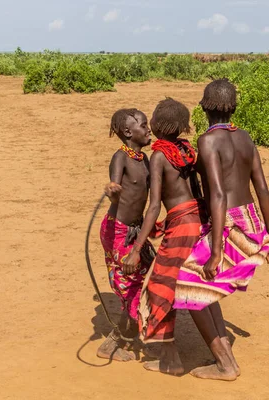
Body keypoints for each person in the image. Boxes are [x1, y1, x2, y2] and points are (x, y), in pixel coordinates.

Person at [174, 79, 269, 381]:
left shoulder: (208, 141)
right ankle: (222, 347)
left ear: (204, 107)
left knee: (186, 288)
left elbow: (218, 194)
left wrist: (216, 252)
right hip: (252, 222)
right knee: (202, 287)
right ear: (233, 106)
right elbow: (262, 188)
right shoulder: (245, 138)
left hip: (230, 224)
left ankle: (225, 365)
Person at [124, 98, 205, 375]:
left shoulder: (160, 156)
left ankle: (171, 360)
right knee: (171, 285)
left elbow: (155, 205)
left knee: (160, 287)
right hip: (194, 221)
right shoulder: (185, 151)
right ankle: (170, 355)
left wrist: (136, 248)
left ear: (159, 125)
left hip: (181, 225)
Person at [97, 108, 155, 361]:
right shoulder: (120, 157)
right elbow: (114, 184)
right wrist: (112, 189)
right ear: (129, 132)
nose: (148, 128)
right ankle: (118, 340)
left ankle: (121, 336)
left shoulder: (147, 160)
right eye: (144, 125)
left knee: (139, 283)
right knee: (131, 284)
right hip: (117, 231)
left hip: (136, 230)